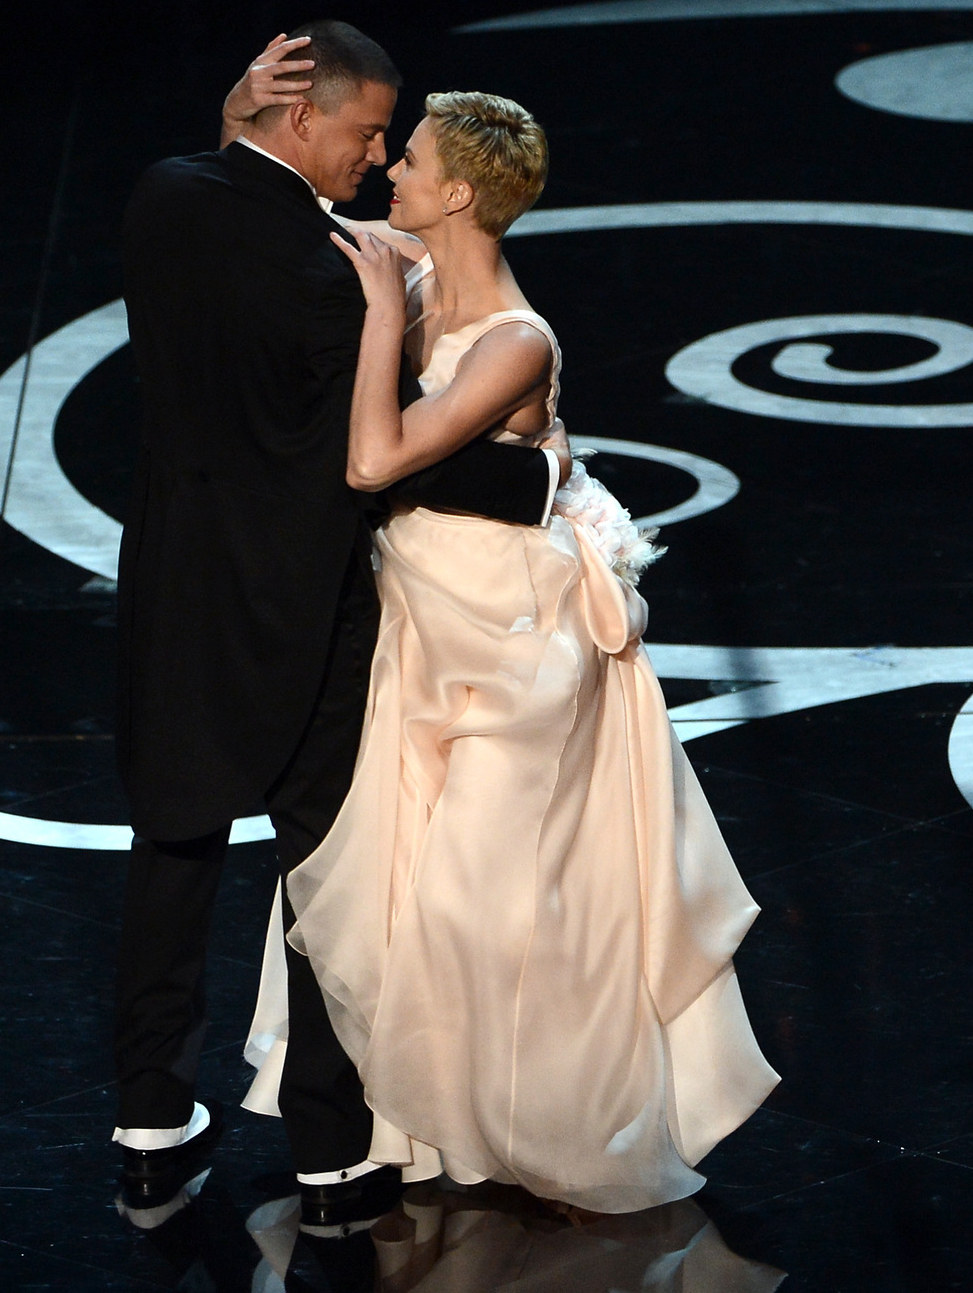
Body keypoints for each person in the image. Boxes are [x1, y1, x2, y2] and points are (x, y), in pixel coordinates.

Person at [252, 90, 779, 1214]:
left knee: (482, 897)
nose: (386, 167)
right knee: (397, 879)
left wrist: (384, 315)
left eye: (413, 160)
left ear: (456, 196)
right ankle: (418, 1129)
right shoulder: (408, 256)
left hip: (507, 641)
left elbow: (372, 460)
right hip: (416, 621)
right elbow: (280, 207)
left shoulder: (515, 340)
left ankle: (530, 1115)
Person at [109, 23, 560, 1227]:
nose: (375, 159)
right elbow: (397, 465)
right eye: (367, 133)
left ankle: (150, 1126)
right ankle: (327, 1154)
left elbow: (223, 190)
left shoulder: (162, 200)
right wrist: (548, 485)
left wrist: (228, 118)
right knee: (327, 868)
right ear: (307, 119)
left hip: (179, 593)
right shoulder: (345, 281)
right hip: (314, 609)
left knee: (173, 845)